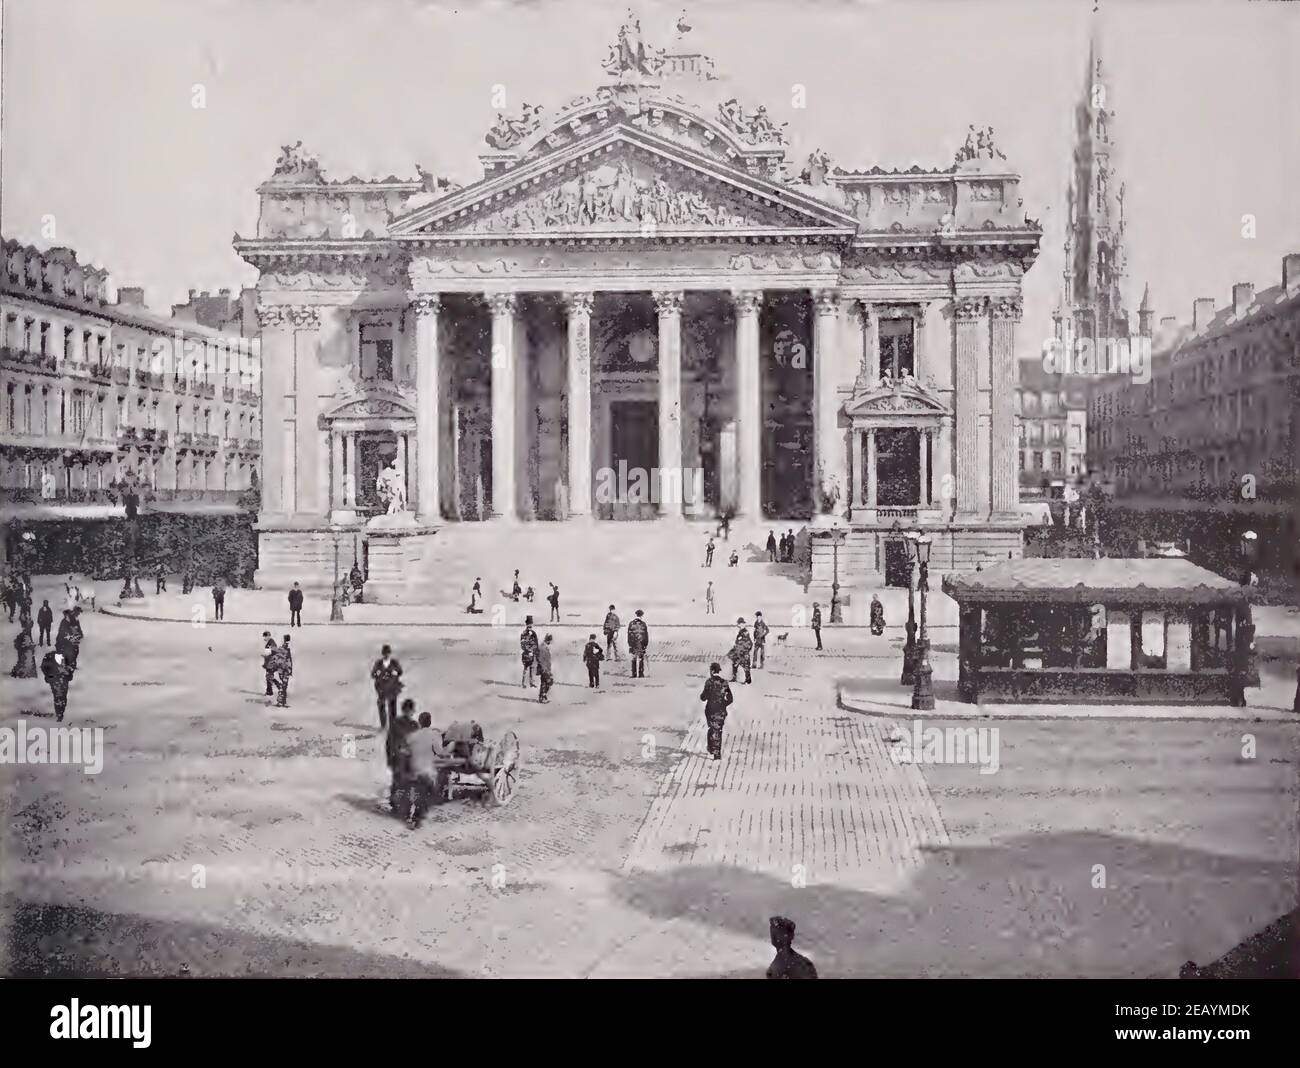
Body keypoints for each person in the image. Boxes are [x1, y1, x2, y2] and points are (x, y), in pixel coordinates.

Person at [400, 710, 447, 829]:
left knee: (413, 791)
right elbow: (440, 752)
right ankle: (418, 817)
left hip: (413, 770)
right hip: (427, 771)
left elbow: (404, 750)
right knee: (434, 783)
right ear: (430, 722)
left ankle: (409, 814)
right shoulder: (434, 735)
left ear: (419, 722)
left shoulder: (412, 736)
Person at [387, 698, 418, 816]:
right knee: (398, 780)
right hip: (398, 757)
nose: (409, 712)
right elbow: (390, 742)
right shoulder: (395, 723)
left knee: (408, 781)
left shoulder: (415, 725)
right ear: (404, 710)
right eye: (407, 710)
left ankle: (404, 804)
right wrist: (391, 757)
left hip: (410, 758)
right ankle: (395, 804)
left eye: (410, 710)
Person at [699, 662, 734, 761]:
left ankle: (715, 753)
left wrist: (704, 696)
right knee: (717, 730)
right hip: (721, 711)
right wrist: (723, 704)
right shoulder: (724, 683)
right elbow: (730, 699)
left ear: (712, 671)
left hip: (710, 711)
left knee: (714, 729)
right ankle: (713, 749)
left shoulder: (709, 682)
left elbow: (703, 697)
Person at [370, 644, 404, 728]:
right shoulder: (378, 663)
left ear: (390, 653)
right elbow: (373, 675)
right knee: (381, 706)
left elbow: (400, 672)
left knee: (392, 707)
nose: (386, 655)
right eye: (385, 653)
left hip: (392, 688)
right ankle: (383, 725)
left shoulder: (394, 662)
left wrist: (394, 672)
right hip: (381, 688)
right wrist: (377, 673)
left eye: (388, 653)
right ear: (382, 653)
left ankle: (393, 725)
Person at [41, 648, 75, 722]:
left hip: (64, 680)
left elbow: (71, 668)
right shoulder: (49, 656)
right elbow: (44, 667)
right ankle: (59, 714)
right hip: (55, 681)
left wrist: (68, 672)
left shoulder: (66, 657)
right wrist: (51, 676)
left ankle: (61, 713)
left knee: (63, 697)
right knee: (58, 697)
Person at [266, 640, 292, 707]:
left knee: (283, 686)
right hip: (283, 670)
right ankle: (281, 701)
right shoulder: (276, 657)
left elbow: (287, 665)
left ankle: (282, 701)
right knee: (283, 686)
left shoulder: (280, 657)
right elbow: (270, 667)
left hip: (285, 671)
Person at [730, 618, 753, 684]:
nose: (739, 625)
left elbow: (747, 642)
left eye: (740, 623)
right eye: (739, 624)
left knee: (746, 666)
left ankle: (748, 681)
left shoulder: (745, 632)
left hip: (744, 652)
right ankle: (734, 678)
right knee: (735, 663)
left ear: (743, 624)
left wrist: (745, 651)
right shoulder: (741, 631)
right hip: (739, 651)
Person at [627, 609, 649, 678]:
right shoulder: (643, 624)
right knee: (641, 659)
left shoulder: (631, 623)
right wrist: (645, 645)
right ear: (641, 615)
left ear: (636, 615)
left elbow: (629, 635)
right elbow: (646, 635)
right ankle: (641, 674)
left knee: (633, 659)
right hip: (641, 644)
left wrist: (630, 644)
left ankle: (634, 674)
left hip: (633, 643)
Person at [520, 617, 540, 688]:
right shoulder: (523, 633)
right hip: (526, 654)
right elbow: (522, 645)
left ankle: (531, 683)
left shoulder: (534, 633)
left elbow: (536, 643)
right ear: (526, 624)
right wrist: (528, 650)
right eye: (528, 624)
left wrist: (535, 651)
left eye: (531, 624)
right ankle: (523, 683)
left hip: (532, 654)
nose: (530, 626)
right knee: (525, 668)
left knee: (532, 668)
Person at [537, 633, 554, 703]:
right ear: (548, 640)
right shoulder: (543, 647)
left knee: (545, 682)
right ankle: (542, 697)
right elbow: (541, 659)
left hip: (546, 668)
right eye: (550, 640)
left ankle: (543, 696)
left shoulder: (545, 646)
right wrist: (545, 669)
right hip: (544, 668)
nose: (550, 642)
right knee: (547, 682)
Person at [261, 632, 278, 696]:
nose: (264, 638)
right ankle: (269, 691)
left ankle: (271, 690)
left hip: (270, 663)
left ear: (268, 636)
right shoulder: (270, 642)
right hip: (269, 662)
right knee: (268, 677)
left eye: (265, 636)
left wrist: (267, 656)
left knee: (269, 677)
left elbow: (275, 652)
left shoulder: (271, 642)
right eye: (264, 637)